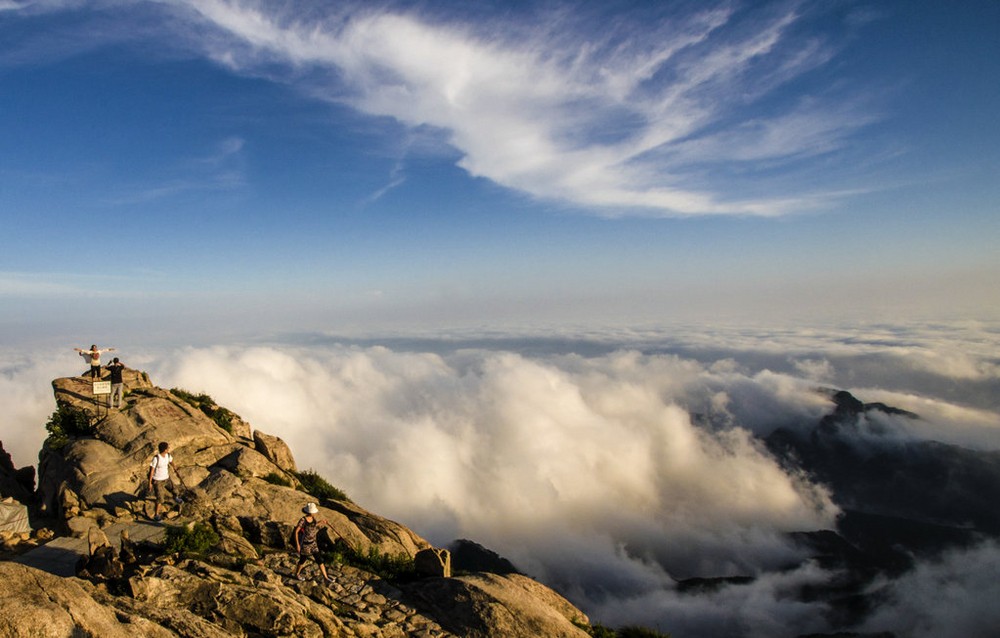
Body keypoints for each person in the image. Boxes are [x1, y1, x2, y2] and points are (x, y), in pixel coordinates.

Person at [294, 502, 335, 582]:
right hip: (305, 545)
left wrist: (321, 522)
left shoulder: (313, 519)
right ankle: (297, 574)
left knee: (319, 559)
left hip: (313, 543)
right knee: (302, 560)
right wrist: (298, 545)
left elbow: (314, 526)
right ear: (310, 512)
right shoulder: (303, 520)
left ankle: (325, 577)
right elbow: (296, 532)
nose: (314, 513)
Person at [148, 442, 182, 521]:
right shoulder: (156, 458)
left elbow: (171, 461)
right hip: (158, 480)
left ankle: (176, 498)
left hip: (166, 478)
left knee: (175, 490)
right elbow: (151, 471)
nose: (169, 449)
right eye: (168, 448)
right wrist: (150, 483)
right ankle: (156, 515)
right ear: (165, 449)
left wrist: (175, 467)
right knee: (160, 499)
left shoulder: (168, 455)